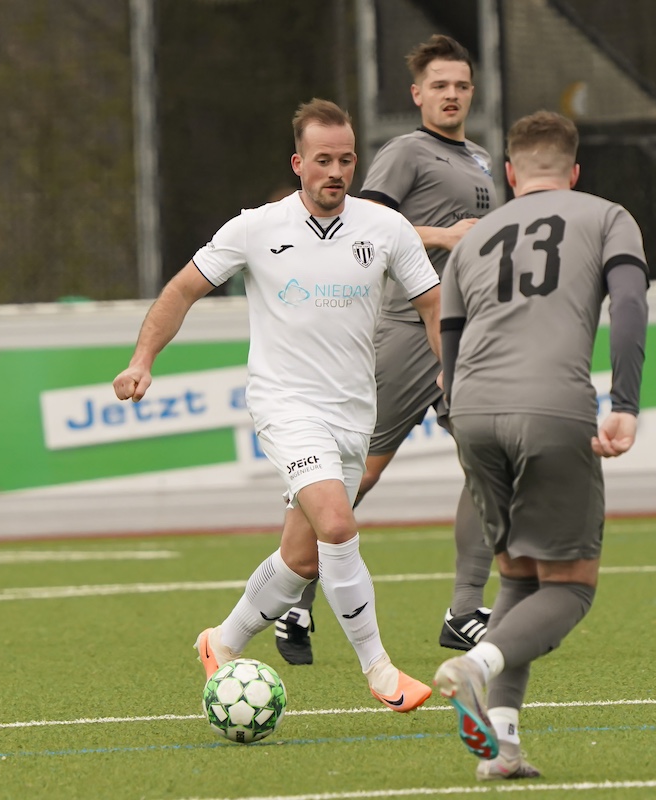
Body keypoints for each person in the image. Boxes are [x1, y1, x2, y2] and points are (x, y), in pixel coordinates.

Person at [113, 99, 441, 712]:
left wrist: (454, 366)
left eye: (346, 160)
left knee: (302, 557)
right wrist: (141, 360)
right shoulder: (255, 228)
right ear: (298, 163)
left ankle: (222, 641)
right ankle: (380, 669)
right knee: (338, 526)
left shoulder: (386, 228)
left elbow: (431, 303)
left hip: (354, 413)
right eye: (323, 160)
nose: (336, 171)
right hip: (285, 405)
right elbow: (182, 289)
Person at [432, 110, 649, 779]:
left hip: (472, 411)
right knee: (571, 588)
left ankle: (503, 747)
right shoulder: (608, 216)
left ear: (509, 173)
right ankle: (477, 664)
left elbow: (449, 345)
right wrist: (625, 403)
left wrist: (463, 416)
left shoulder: (473, 238)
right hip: (551, 406)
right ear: (574, 171)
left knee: (520, 577)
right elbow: (630, 303)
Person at [275, 35, 499, 666]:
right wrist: (443, 236)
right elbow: (359, 227)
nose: (451, 95)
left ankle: (464, 610)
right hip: (404, 332)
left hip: (464, 335)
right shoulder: (406, 152)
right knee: (357, 474)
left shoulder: (482, 158)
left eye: (461, 85)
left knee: (491, 465)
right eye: (440, 85)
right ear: (417, 94)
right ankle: (294, 595)